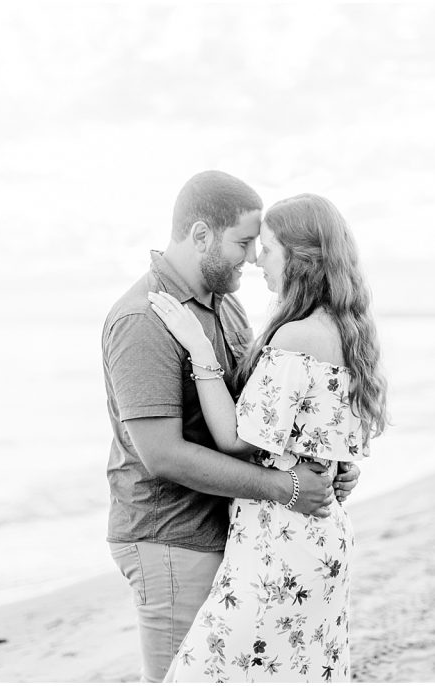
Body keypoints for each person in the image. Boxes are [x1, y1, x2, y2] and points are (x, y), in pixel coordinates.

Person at [102, 171, 362, 683]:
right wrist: (285, 487)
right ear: (200, 235)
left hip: (236, 532)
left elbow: (270, 417)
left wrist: (329, 465)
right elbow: (163, 455)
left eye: (258, 245)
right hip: (174, 534)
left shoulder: (229, 309)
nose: (251, 257)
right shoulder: (143, 319)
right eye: (244, 243)